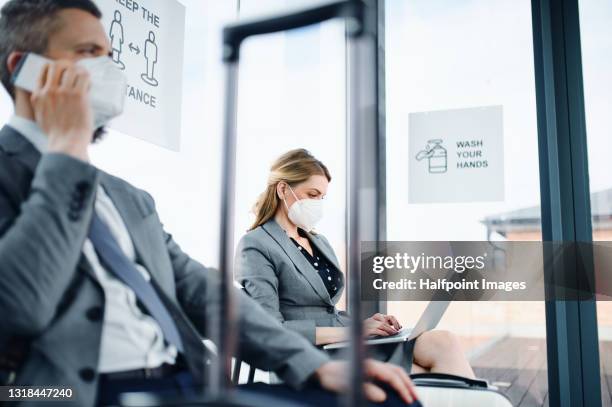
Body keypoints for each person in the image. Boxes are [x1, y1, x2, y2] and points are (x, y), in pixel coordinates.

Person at [0, 1, 419, 406]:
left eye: (109, 55)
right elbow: (18, 307)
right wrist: (66, 154)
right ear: (25, 70)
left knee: (390, 401)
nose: (110, 69)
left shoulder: (127, 199)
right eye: (88, 53)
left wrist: (312, 366)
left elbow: (201, 292)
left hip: (185, 383)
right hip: (70, 394)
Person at [235, 149, 475, 378]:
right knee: (426, 376)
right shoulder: (256, 245)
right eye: (312, 195)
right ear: (283, 189)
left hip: (345, 341)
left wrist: (367, 325)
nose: (318, 203)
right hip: (314, 352)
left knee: (444, 341)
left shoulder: (319, 241)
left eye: (323, 196)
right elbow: (271, 330)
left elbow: (328, 309)